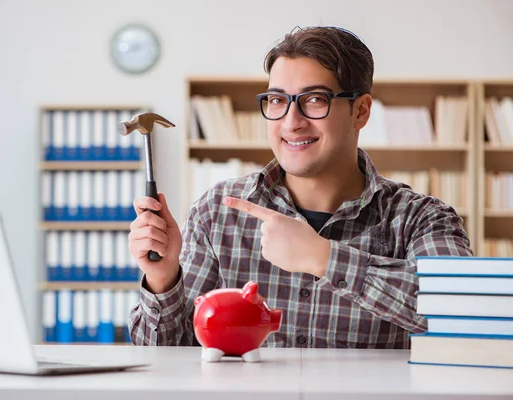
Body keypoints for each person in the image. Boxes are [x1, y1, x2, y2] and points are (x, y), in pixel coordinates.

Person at [127, 26, 473, 349]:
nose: (292, 122)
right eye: (278, 101)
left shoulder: (421, 218)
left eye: (315, 100)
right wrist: (163, 278)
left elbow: (464, 313)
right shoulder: (218, 211)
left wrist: (323, 258)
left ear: (361, 111)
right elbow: (165, 357)